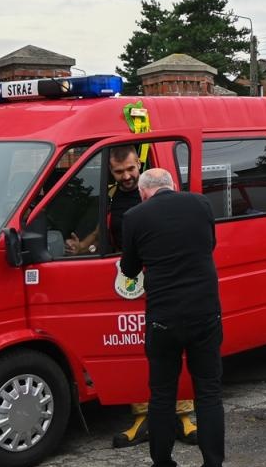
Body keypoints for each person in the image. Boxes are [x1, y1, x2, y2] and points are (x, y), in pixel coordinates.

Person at [71, 145, 195, 451]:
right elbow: (105, 227)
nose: (126, 176)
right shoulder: (112, 195)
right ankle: (141, 415)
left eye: (130, 169)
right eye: (119, 172)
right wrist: (83, 246)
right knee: (133, 347)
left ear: (138, 165)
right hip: (124, 280)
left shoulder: (157, 191)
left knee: (174, 345)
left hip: (163, 280)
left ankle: (184, 414)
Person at [119, 168, 230, 467]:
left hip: (163, 319)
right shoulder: (201, 204)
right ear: (171, 186)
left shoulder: (135, 216)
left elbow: (129, 269)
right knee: (208, 393)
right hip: (204, 314)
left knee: (162, 396)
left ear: (144, 192)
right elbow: (208, 244)